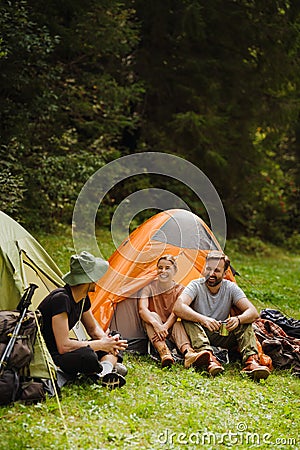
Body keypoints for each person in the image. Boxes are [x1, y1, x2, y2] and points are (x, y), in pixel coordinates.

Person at [173, 250, 271, 380]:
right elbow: (178, 307)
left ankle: (251, 362)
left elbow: (253, 312)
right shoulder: (196, 285)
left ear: (225, 274)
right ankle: (209, 358)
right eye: (208, 269)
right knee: (187, 319)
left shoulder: (230, 287)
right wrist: (203, 319)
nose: (211, 274)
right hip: (197, 332)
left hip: (221, 333)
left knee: (246, 323)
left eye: (216, 270)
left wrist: (238, 319)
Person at [38, 251, 128, 389]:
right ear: (88, 279)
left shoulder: (82, 298)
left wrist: (108, 341)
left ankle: (104, 372)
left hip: (69, 350)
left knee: (115, 337)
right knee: (88, 356)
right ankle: (106, 367)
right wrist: (102, 345)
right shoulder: (61, 299)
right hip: (53, 356)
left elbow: (93, 329)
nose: (98, 280)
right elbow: (63, 346)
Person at [138, 254, 211, 369]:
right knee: (152, 316)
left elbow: (176, 312)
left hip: (170, 328)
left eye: (167, 268)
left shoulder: (180, 290)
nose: (163, 271)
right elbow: (142, 310)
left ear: (175, 271)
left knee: (178, 323)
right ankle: (164, 353)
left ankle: (188, 354)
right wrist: (156, 324)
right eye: (160, 268)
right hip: (153, 327)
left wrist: (165, 327)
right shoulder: (149, 287)